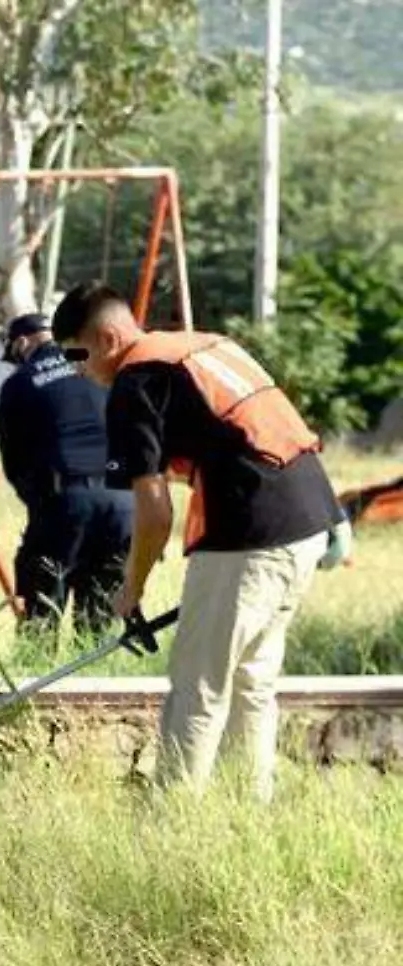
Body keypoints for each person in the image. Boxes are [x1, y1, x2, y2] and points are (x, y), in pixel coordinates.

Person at [51, 282, 353, 800]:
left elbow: (152, 511)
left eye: (76, 356)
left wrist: (132, 588)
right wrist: (333, 517)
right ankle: (247, 811)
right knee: (250, 684)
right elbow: (272, 422)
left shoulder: (135, 381)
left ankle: (171, 824)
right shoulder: (205, 345)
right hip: (306, 521)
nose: (79, 370)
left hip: (248, 532)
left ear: (105, 337)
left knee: (198, 687)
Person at [0, 312, 133, 638]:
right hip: (125, 503)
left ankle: (34, 684)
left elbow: (14, 460)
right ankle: (97, 683)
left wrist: (42, 502)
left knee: (42, 613)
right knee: (99, 619)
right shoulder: (104, 366)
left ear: (23, 343)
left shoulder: (21, 381)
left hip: (67, 502)